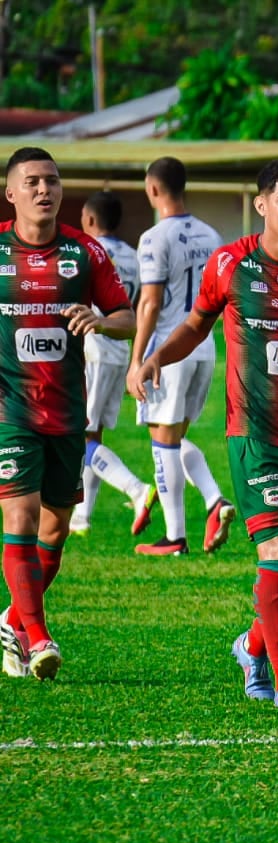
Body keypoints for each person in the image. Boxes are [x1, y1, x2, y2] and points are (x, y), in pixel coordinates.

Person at [130, 160, 278, 711]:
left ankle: (251, 646)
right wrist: (154, 358)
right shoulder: (231, 262)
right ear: (263, 204)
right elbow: (197, 324)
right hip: (255, 434)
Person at [0, 147, 135, 681]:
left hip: (66, 412)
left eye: (51, 181)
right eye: (31, 181)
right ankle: (37, 638)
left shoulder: (85, 254)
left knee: (54, 532)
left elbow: (127, 317)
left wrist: (99, 322)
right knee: (21, 517)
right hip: (10, 411)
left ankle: (13, 620)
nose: (44, 190)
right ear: (11, 193)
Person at [128, 157, 235, 556]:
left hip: (169, 350)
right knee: (173, 438)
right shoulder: (211, 235)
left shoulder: (154, 237)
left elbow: (150, 304)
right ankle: (214, 502)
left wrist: (138, 360)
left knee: (163, 441)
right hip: (203, 346)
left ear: (153, 189)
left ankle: (175, 538)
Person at [69, 191, 157, 538]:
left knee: (81, 438)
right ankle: (82, 517)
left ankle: (137, 490)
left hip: (92, 348)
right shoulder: (134, 257)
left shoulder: (86, 253)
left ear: (89, 220)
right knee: (93, 435)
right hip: (120, 350)